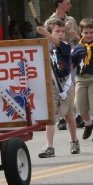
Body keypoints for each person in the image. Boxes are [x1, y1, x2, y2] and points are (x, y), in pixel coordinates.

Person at [36, 18, 79, 157]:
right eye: (57, 31)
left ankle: (74, 140)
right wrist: (44, 35)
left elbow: (57, 43)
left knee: (68, 116)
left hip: (65, 84)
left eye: (62, 31)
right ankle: (49, 146)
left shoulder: (65, 44)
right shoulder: (45, 46)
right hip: (52, 85)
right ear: (50, 32)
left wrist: (46, 34)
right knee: (50, 117)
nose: (60, 34)